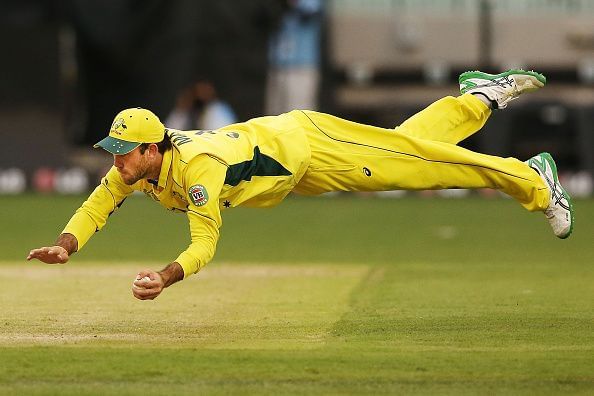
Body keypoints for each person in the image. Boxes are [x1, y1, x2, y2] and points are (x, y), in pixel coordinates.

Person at [27, 69, 574, 301]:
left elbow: (204, 244)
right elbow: (99, 202)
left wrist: (167, 276)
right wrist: (66, 244)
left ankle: (533, 179)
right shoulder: (137, 167)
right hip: (294, 176)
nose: (116, 165)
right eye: (116, 155)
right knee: (410, 150)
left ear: (151, 148)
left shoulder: (199, 169)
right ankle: (480, 97)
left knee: (422, 167)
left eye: (124, 155)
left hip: (307, 143)